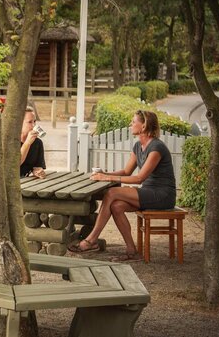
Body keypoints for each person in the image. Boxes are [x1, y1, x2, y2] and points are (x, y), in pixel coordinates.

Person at [69, 110, 176, 261]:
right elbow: (126, 171)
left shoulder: (157, 148)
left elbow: (139, 178)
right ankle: (132, 251)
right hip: (148, 192)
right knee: (116, 206)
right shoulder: (138, 146)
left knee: (112, 193)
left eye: (133, 122)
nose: (130, 125)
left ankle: (91, 240)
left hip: (162, 195)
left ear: (144, 125)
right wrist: (105, 173)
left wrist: (107, 178)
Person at [19, 106, 46, 178]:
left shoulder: (38, 143)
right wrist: (27, 143)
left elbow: (37, 167)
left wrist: (38, 171)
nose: (34, 125)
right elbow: (15, 164)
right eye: (30, 122)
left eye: (34, 121)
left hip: (27, 182)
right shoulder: (10, 141)